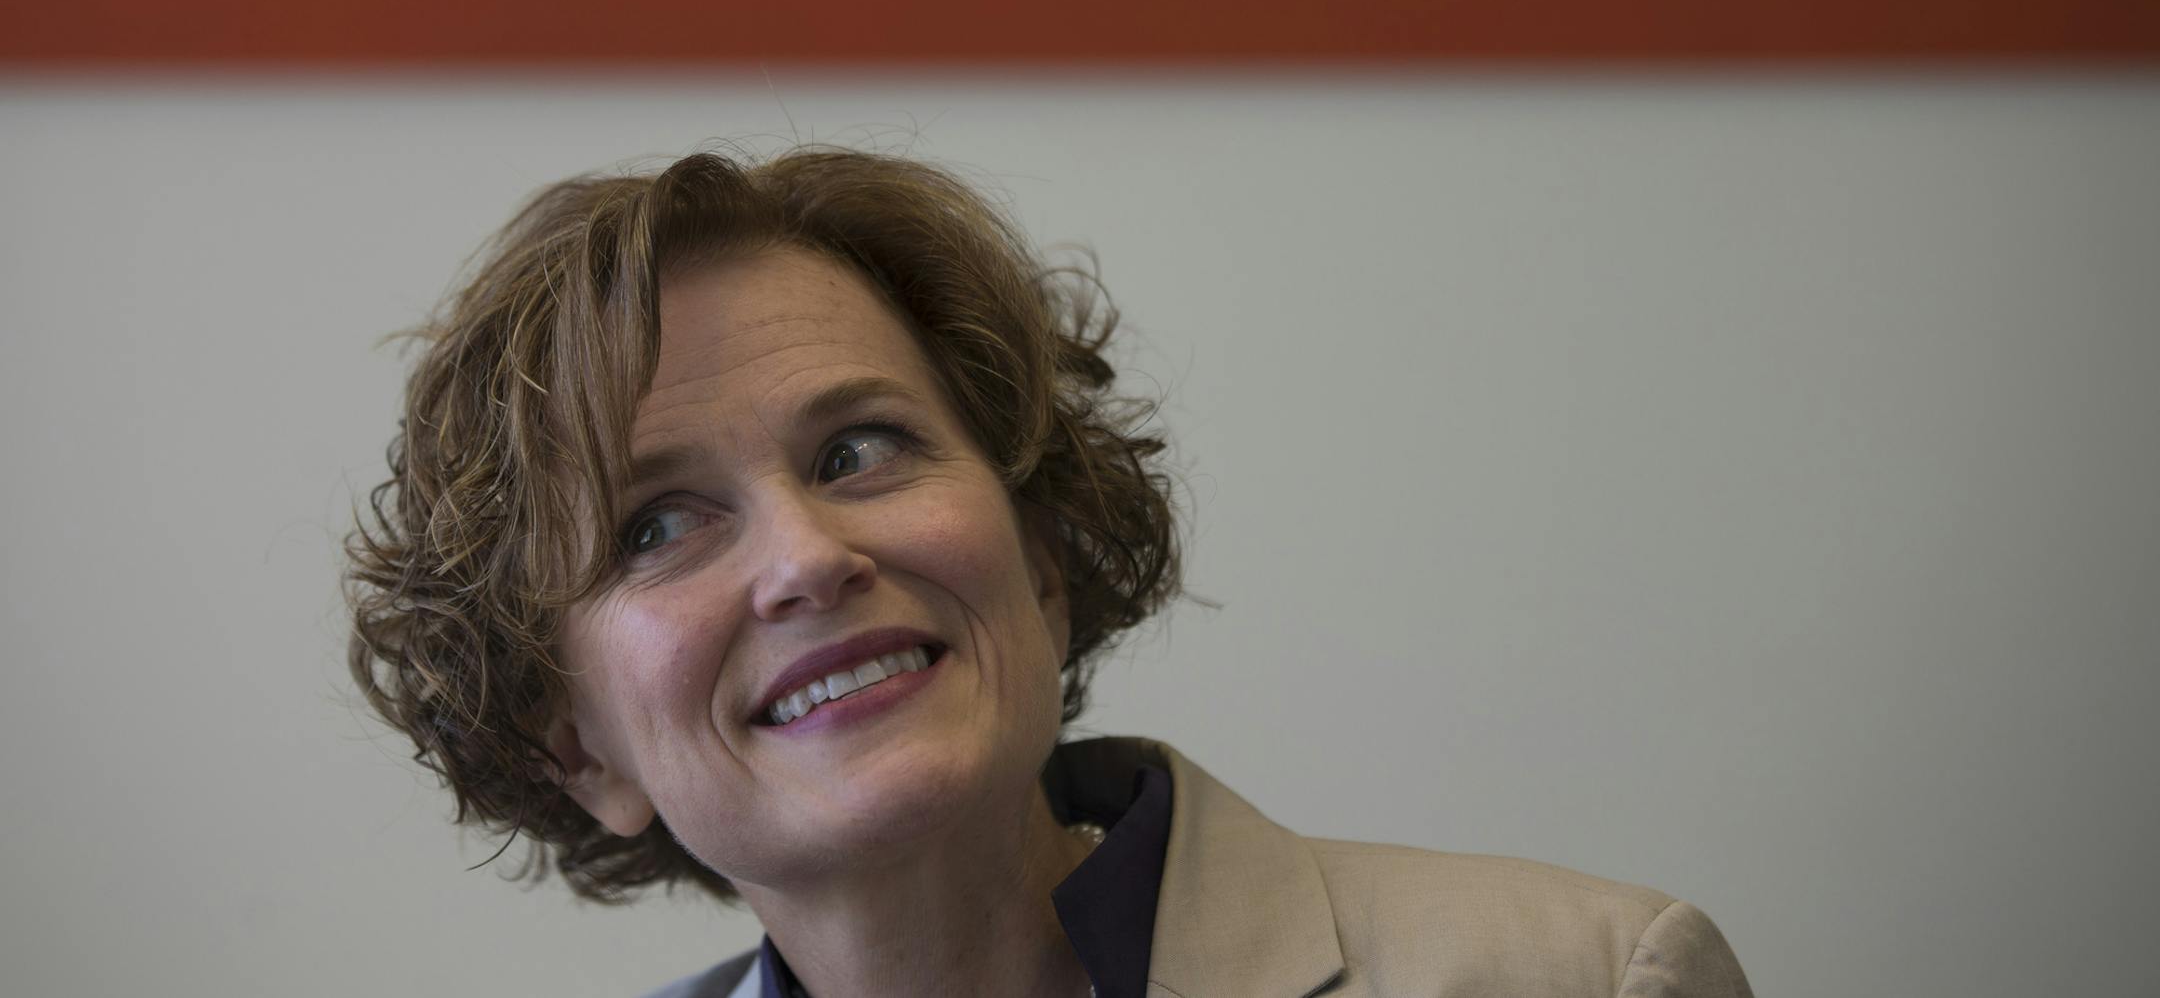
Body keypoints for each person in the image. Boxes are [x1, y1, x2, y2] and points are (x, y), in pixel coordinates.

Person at [347, 147, 1753, 998]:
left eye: (859, 451)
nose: (808, 559)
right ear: (576, 742)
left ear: (1043, 555)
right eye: (656, 526)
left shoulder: (1581, 978)